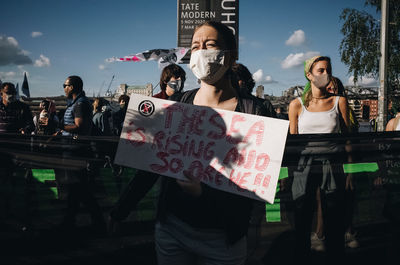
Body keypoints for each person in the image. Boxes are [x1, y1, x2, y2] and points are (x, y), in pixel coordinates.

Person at [109, 21, 272, 265]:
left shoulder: (255, 112)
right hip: (172, 231)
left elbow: (256, 184)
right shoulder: (177, 106)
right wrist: (121, 210)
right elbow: (149, 164)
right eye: (195, 46)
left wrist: (203, 194)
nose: (201, 52)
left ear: (231, 54)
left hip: (225, 239)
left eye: (211, 45)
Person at [288, 56, 350, 263]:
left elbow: (348, 138)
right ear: (309, 75)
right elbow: (294, 142)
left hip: (331, 164)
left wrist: (349, 171)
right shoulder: (296, 105)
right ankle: (301, 256)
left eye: (328, 70)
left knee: (333, 213)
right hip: (304, 166)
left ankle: (334, 255)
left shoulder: (339, 101)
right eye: (321, 70)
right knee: (302, 213)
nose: (326, 74)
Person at [311, 76, 360, 251]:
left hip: (343, 159)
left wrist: (350, 167)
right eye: (327, 88)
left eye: (333, 88)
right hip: (326, 160)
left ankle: (348, 232)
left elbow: (350, 139)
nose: (330, 91)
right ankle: (321, 233)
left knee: (347, 197)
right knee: (321, 198)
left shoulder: (345, 109)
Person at [57, 75, 106, 233]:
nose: (63, 87)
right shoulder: (78, 103)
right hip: (74, 150)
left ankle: (97, 223)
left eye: (65, 85)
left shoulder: (80, 104)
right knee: (77, 190)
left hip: (76, 152)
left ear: (71, 87)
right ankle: (71, 221)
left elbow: (79, 126)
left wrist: (60, 126)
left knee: (80, 189)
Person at [0, 82, 34, 223]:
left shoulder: (23, 108)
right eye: (8, 92)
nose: (11, 95)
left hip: (17, 151)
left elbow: (30, 124)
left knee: (17, 183)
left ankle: (17, 213)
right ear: (1, 93)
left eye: (13, 92)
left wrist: (24, 130)